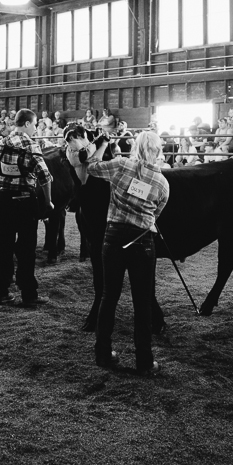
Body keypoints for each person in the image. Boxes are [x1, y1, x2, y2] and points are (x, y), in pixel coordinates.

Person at [84, 131, 170, 375]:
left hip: (113, 237)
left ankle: (102, 353)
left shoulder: (121, 165)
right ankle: (144, 361)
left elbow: (90, 167)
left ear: (135, 146)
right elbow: (156, 214)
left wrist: (102, 145)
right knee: (142, 302)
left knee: (108, 297)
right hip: (142, 242)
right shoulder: (162, 183)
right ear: (157, 150)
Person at [0, 109, 54, 307]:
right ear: (26, 124)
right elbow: (45, 176)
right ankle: (28, 293)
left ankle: (1, 292)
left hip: (3, 200)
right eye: (34, 125)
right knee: (26, 248)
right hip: (24, 201)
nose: (35, 129)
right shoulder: (30, 145)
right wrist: (48, 201)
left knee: (4, 246)